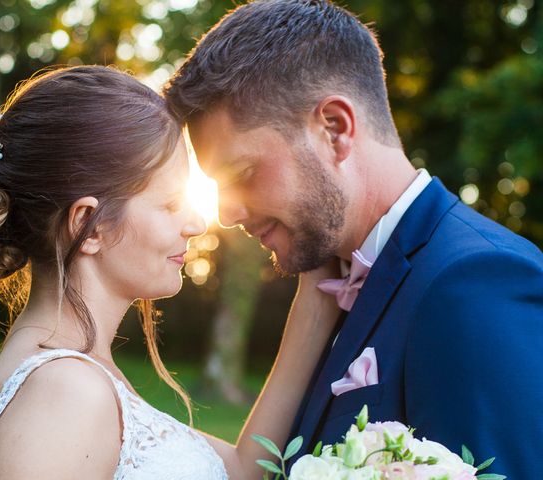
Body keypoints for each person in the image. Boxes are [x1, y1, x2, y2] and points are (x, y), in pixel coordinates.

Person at [163, 0, 543, 477]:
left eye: (243, 173)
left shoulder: (475, 285)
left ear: (335, 129)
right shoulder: (329, 289)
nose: (227, 213)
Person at [0, 65, 342, 479]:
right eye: (171, 203)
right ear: (90, 224)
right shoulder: (66, 391)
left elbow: (245, 470)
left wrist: (317, 286)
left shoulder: (75, 373)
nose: (195, 224)